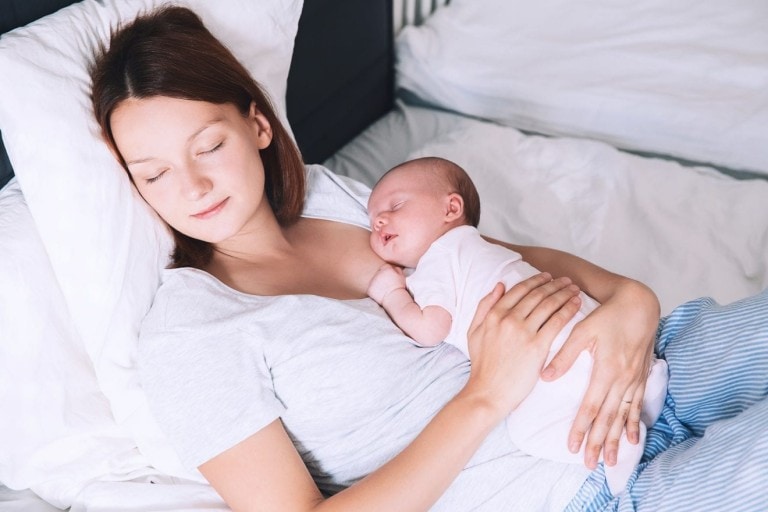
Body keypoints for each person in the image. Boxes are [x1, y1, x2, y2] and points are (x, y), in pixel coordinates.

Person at [89, 6, 768, 512]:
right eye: (154, 174)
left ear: (257, 126)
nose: (195, 187)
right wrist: (485, 395)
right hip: (576, 488)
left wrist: (630, 302)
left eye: (207, 147)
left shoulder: (334, 200)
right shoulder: (190, 332)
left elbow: (496, 254)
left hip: (650, 365)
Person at [365, 156, 669, 494]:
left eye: (395, 205)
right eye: (372, 218)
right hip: (586, 323)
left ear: (451, 208)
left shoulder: (432, 265)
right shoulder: (478, 245)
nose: (379, 220)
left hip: (548, 363)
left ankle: (616, 448)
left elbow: (430, 327)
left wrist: (392, 295)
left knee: (527, 432)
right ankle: (651, 380)